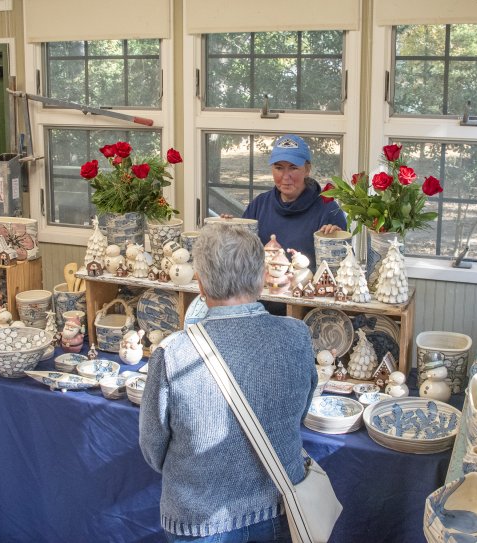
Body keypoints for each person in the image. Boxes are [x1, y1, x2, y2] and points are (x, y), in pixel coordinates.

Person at [140, 224, 317, 542]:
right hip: (280, 507)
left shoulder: (172, 353)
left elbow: (153, 448)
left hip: (199, 519)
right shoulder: (297, 335)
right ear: (263, 277)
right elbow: (300, 413)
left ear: (201, 284)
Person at [241, 134, 347, 268]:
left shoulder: (328, 209)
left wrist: (335, 240)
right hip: (265, 287)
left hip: (310, 287)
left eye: (293, 167)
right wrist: (226, 228)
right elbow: (240, 252)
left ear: (307, 169)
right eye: (279, 168)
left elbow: (342, 266)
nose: (285, 176)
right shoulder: (260, 204)